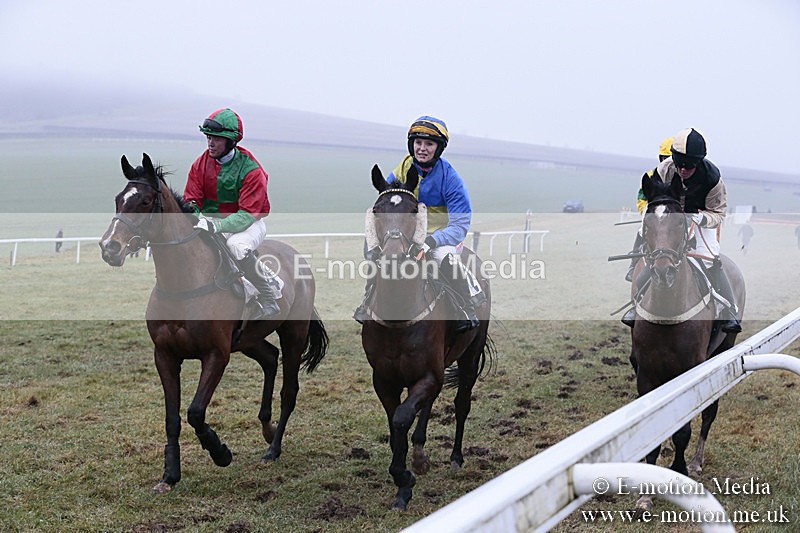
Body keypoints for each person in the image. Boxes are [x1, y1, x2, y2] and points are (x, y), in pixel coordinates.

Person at [353, 115, 486, 332]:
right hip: (408, 235)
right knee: (378, 255)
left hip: (440, 237)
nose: (422, 149)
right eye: (418, 142)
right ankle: (368, 300)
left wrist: (430, 242)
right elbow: (388, 203)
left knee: (443, 258)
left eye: (429, 144)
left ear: (438, 148)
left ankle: (465, 308)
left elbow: (460, 226)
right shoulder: (402, 169)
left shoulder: (451, 179)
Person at [623, 128, 741, 333]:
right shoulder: (664, 169)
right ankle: (636, 305)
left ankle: (729, 310)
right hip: (671, 219)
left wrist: (701, 218)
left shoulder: (713, 179)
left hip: (701, 219)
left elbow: (718, 214)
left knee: (710, 256)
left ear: (698, 162)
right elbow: (655, 198)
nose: (683, 170)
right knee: (655, 254)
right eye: (679, 164)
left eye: (689, 166)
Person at [183, 108, 281, 319]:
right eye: (208, 137)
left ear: (231, 141)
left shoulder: (251, 170)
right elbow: (192, 199)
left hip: (249, 223)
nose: (210, 143)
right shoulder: (200, 165)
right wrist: (192, 216)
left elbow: (246, 215)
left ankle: (268, 298)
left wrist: (216, 225)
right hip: (214, 221)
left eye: (216, 139)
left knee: (236, 246)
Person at [624, 137, 673, 282]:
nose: (667, 162)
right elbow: (641, 199)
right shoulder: (650, 176)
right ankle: (633, 266)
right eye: (664, 158)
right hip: (654, 215)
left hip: (674, 218)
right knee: (641, 231)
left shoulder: (683, 177)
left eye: (670, 159)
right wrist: (649, 214)